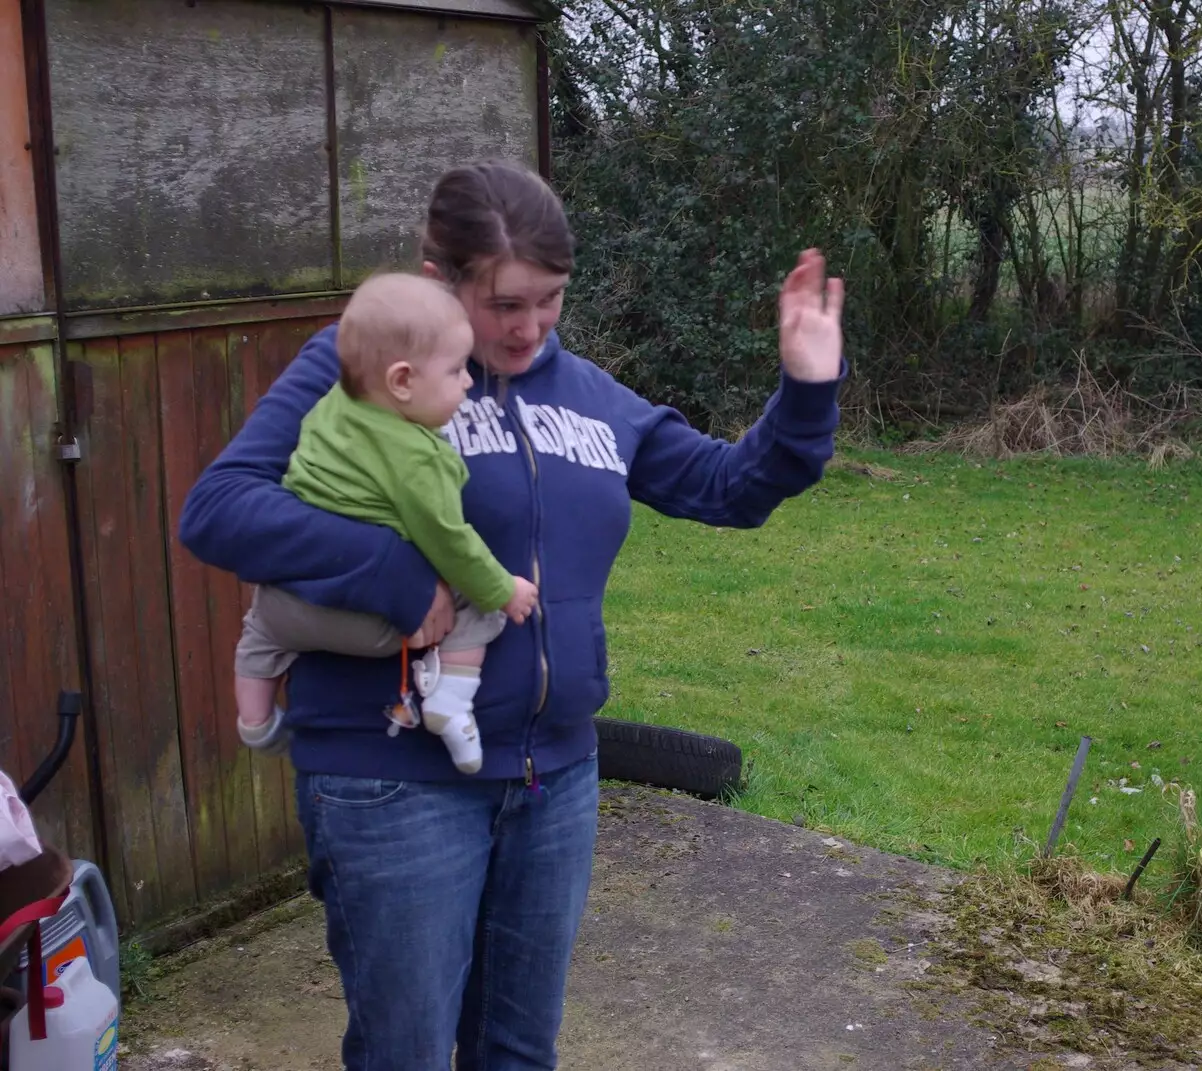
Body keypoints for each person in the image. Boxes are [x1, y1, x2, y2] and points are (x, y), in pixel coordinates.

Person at [178, 159, 845, 1071]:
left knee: (518, 1053)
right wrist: (394, 576)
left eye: (551, 298)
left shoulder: (594, 400)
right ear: (436, 282)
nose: (528, 326)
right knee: (404, 1053)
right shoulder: (368, 374)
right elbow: (219, 508)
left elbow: (729, 486)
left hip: (553, 780)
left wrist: (806, 391)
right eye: (502, 304)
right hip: (393, 779)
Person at [231, 272, 540, 775]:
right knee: (478, 600)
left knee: (257, 633)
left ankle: (256, 721)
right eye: (457, 370)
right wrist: (503, 588)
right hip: (372, 624)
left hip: (284, 601)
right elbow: (450, 540)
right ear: (401, 381)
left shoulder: (333, 406)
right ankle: (451, 705)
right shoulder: (420, 458)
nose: (468, 381)